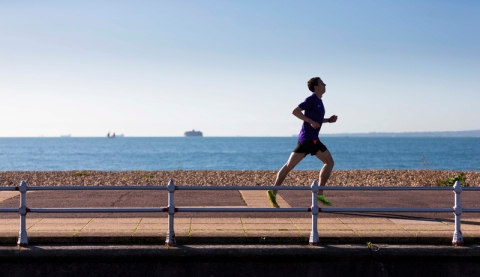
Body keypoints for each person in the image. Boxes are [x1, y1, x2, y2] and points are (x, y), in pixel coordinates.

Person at [267, 77, 338, 208]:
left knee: (289, 166)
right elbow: (295, 111)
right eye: (322, 83)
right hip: (311, 139)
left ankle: (273, 191)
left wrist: (328, 120)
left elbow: (316, 119)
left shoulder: (319, 101)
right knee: (329, 162)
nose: (325, 84)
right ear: (316, 87)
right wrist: (310, 122)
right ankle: (320, 193)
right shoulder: (311, 99)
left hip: (305, 138)